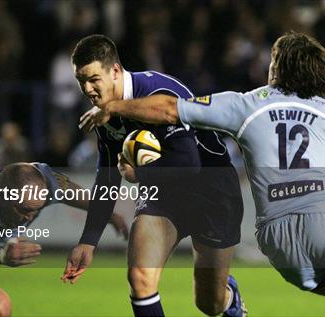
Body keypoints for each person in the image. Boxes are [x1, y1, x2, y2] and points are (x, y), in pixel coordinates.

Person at [92, 32, 325, 317]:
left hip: (278, 241)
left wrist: (113, 107)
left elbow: (168, 109)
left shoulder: (246, 104)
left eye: (272, 60)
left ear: (279, 68)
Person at [64, 34, 246, 317]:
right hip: (163, 194)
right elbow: (108, 176)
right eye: (81, 81)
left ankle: (229, 299)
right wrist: (88, 240)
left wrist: (141, 172)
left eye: (93, 79)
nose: (87, 89)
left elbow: (189, 164)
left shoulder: (156, 91)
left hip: (212, 191)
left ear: (114, 71)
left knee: (209, 304)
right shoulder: (103, 114)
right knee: (140, 279)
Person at [0, 162, 127, 316]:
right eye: (24, 210)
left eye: (37, 211)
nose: (29, 217)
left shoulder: (39, 181)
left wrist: (106, 214)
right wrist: (0, 255)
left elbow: (67, 190)